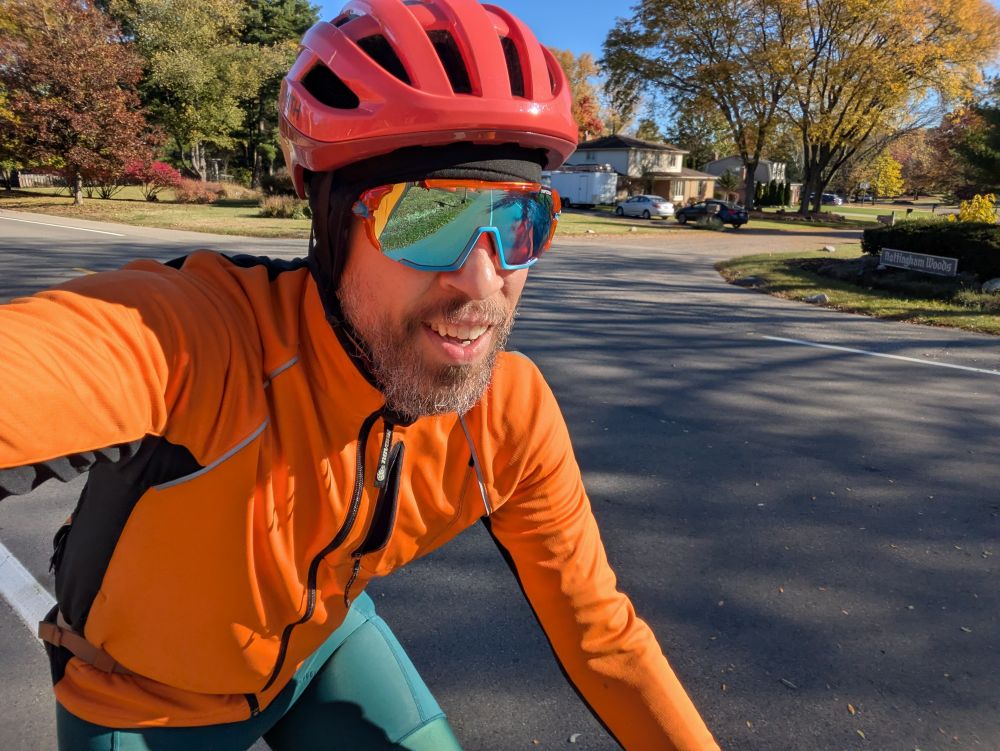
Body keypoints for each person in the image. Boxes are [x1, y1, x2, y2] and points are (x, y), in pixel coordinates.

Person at [0, 1, 719, 749]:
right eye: (425, 219)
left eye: (519, 224)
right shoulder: (203, 344)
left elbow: (605, 639)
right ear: (331, 219)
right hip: (140, 698)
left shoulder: (508, 416)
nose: (482, 285)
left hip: (322, 650)